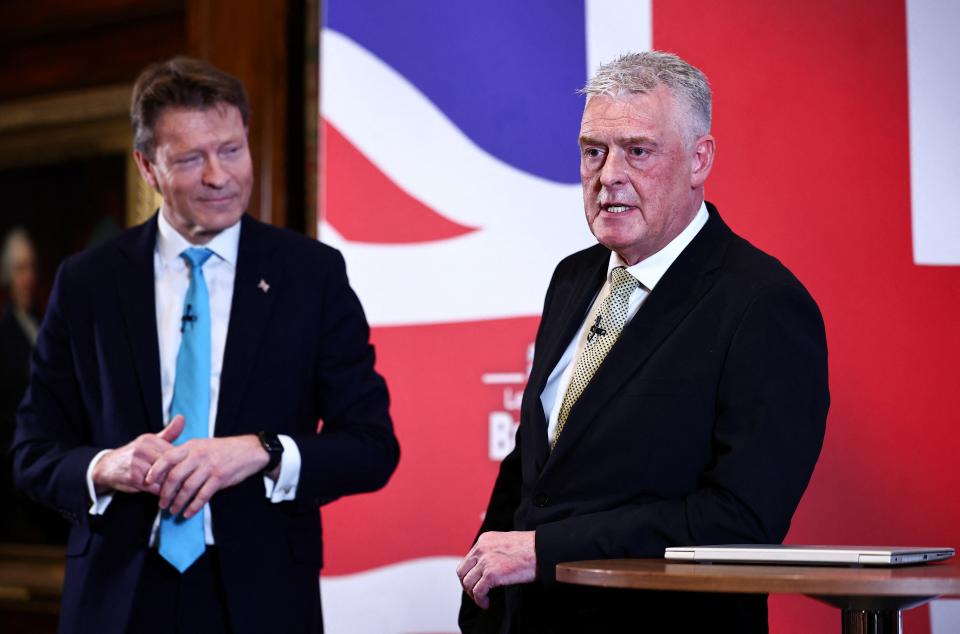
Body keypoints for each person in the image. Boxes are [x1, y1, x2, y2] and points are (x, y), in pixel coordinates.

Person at [10, 57, 399, 634]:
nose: (219, 176)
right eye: (191, 159)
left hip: (262, 597)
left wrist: (261, 451)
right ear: (148, 167)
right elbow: (32, 453)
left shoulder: (310, 274)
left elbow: (371, 447)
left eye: (232, 150)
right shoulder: (88, 282)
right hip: (116, 599)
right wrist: (107, 465)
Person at [457, 51, 829, 633]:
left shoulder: (763, 304)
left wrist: (548, 551)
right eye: (593, 151)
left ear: (698, 159)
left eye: (637, 151)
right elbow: (537, 463)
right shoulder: (574, 277)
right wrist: (482, 606)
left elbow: (740, 520)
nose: (608, 176)